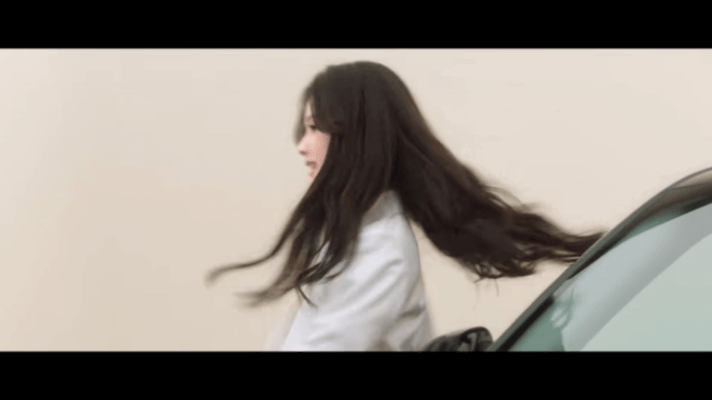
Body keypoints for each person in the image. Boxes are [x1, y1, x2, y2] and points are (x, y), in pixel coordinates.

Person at [205, 61, 606, 351]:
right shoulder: (357, 239)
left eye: (313, 128)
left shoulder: (381, 252)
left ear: (355, 136)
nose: (302, 145)